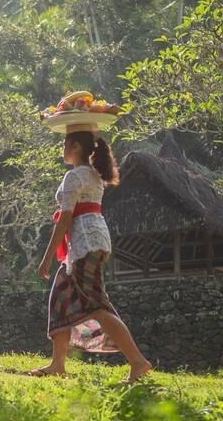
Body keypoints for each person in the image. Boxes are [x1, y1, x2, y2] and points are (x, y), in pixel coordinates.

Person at [30, 131, 152, 383]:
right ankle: (58, 364)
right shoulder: (94, 174)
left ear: (74, 146)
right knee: (60, 298)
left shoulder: (74, 176)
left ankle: (138, 361)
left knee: (97, 305)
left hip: (85, 244)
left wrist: (47, 257)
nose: (62, 149)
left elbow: (65, 218)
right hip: (90, 242)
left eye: (64, 144)